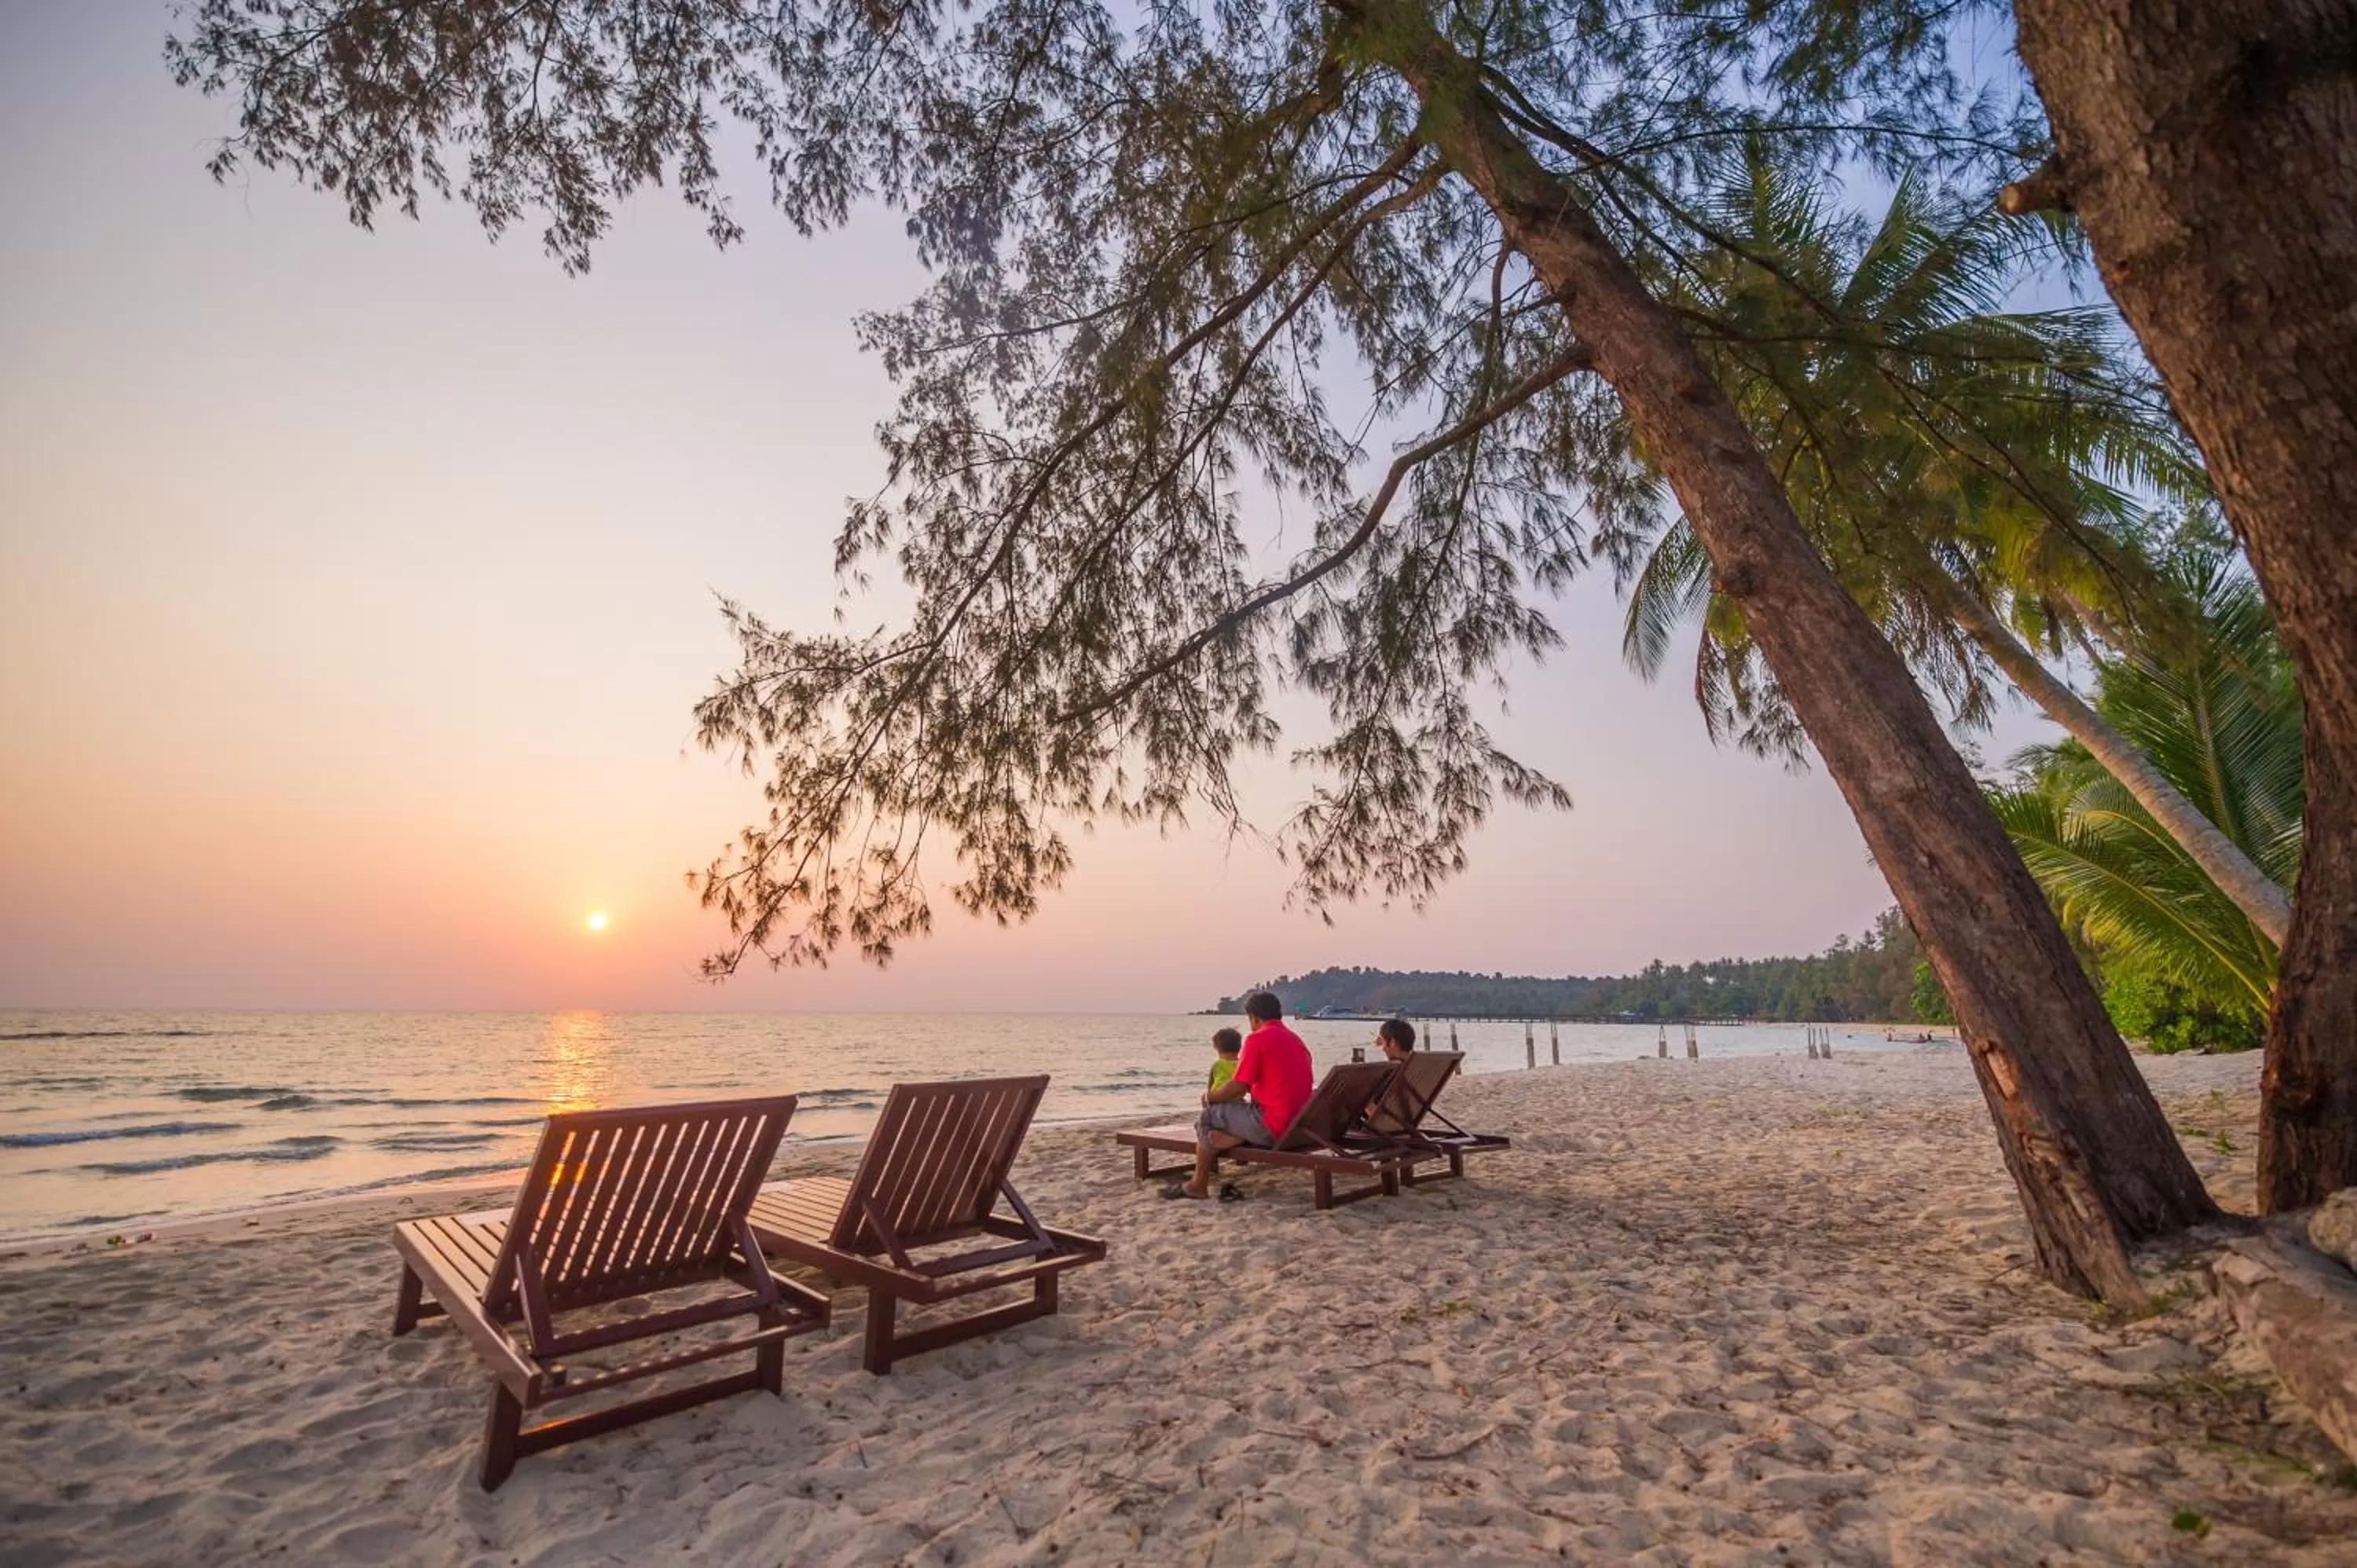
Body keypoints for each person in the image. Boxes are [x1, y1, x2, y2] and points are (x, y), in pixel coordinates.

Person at [1164, 991, 1311, 1201]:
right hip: (1300, 1126)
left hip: (1273, 1127)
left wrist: (1210, 1097)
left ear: (1253, 1018)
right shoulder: (1296, 1040)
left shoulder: (1257, 1039)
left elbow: (1238, 1088)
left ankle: (1198, 1185)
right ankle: (1237, 1136)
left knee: (1207, 1116)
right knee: (1231, 1114)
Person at [1206, 1028, 1243, 1094]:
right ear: (1240, 1047)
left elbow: (1210, 1086)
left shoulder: (1218, 1064)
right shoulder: (1242, 1065)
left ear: (1217, 1048)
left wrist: (1208, 1096)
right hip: (1237, 1097)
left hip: (1218, 1097)